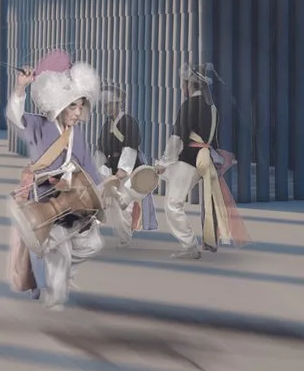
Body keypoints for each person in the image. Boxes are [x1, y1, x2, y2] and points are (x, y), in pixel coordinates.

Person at [8, 61, 109, 307]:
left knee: (93, 244)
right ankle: (55, 301)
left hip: (74, 201)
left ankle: (60, 275)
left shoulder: (79, 134)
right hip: (45, 199)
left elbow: (88, 168)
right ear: (60, 105)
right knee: (59, 255)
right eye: (72, 106)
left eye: (80, 106)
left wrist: (102, 192)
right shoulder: (40, 127)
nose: (77, 112)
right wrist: (20, 88)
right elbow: (16, 118)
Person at [161, 66, 230, 260]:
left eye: (183, 83)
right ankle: (203, 241)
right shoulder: (212, 108)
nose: (182, 87)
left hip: (190, 159)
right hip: (205, 159)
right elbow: (213, 139)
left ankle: (189, 245)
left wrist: (165, 161)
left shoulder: (189, 105)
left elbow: (177, 138)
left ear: (189, 84)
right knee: (176, 190)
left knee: (173, 203)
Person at [95, 93, 146, 239]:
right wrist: (98, 170)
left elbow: (130, 147)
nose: (108, 108)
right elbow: (101, 150)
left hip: (128, 170)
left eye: (111, 104)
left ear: (119, 104)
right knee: (97, 195)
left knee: (124, 205)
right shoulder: (107, 125)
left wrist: (123, 170)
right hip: (111, 168)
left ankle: (125, 237)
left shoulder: (129, 122)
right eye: (106, 105)